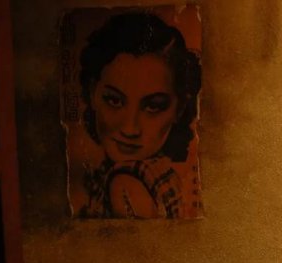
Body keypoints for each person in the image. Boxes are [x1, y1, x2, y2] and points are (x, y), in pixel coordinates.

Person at [77, 12, 202, 218]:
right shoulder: (163, 173)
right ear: (92, 93)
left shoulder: (124, 183)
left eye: (153, 106)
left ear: (179, 109)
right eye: (114, 101)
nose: (130, 129)